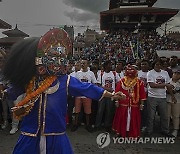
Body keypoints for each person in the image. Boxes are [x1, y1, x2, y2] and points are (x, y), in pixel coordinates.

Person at [2, 28, 125, 154]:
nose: (58, 61)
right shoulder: (30, 79)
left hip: (55, 133)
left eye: (60, 58)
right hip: (31, 132)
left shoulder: (65, 80)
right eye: (53, 56)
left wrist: (112, 95)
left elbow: (87, 88)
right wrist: (4, 93)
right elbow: (13, 90)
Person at [112, 64, 146, 137]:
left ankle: (133, 134)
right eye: (129, 69)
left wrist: (142, 104)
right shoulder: (122, 81)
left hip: (134, 105)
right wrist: (117, 101)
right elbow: (117, 91)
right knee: (122, 119)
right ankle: (120, 132)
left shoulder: (139, 82)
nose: (130, 71)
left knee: (133, 120)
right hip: (123, 104)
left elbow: (142, 94)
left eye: (132, 69)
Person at [145, 59, 176, 137]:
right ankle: (149, 131)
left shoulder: (165, 73)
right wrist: (165, 85)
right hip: (152, 97)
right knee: (151, 116)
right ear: (154, 65)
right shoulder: (150, 73)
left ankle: (165, 131)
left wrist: (172, 96)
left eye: (160, 65)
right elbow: (152, 85)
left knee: (164, 116)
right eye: (156, 65)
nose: (158, 66)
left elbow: (168, 86)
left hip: (162, 97)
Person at [167, 69, 180, 137]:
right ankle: (166, 129)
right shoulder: (168, 80)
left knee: (176, 116)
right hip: (167, 100)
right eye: (175, 73)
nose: (176, 75)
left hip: (177, 101)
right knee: (167, 115)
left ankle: (175, 130)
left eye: (178, 74)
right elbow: (166, 90)